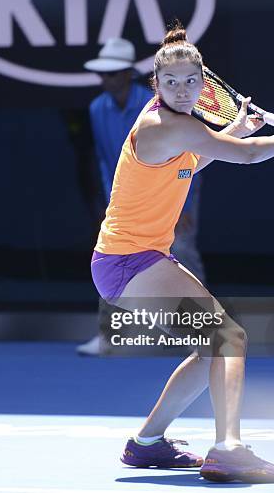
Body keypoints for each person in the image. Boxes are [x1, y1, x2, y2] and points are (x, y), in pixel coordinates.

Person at [91, 23, 274, 483]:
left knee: (212, 346)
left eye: (192, 81)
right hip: (130, 261)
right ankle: (229, 448)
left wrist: (234, 128)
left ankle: (147, 444)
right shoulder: (164, 125)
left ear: (204, 82)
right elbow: (247, 158)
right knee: (229, 337)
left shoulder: (175, 128)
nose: (183, 89)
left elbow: (193, 159)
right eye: (172, 82)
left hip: (129, 260)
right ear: (156, 84)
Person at [77, 38, 204, 356]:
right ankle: (109, 335)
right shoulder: (96, 109)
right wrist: (114, 201)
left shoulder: (156, 105)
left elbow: (187, 155)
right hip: (130, 198)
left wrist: (183, 205)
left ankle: (202, 330)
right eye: (102, 74)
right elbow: (108, 159)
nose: (106, 79)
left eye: (112, 73)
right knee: (113, 257)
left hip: (175, 186)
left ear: (127, 74)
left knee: (183, 249)